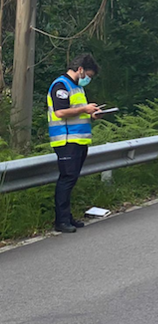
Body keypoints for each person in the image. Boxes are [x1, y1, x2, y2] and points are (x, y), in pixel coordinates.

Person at [48, 54, 102, 233]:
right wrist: (84, 109)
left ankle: (67, 217)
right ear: (80, 70)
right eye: (88, 75)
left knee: (71, 180)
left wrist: (91, 114)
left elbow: (76, 113)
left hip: (79, 139)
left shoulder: (78, 88)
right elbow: (60, 112)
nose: (88, 79)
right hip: (66, 140)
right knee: (66, 179)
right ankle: (61, 221)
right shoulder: (61, 85)